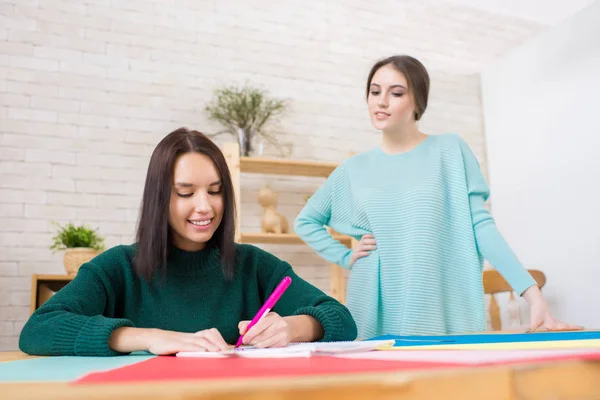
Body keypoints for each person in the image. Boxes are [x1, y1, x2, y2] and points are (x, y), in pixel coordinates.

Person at [295, 55, 580, 339]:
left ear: (418, 101)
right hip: (374, 303)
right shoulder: (353, 168)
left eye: (396, 93)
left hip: (435, 301)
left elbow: (481, 227)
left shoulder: (449, 150)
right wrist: (345, 256)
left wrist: (533, 297)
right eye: (374, 91)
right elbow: (306, 221)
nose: (381, 101)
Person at [19, 127, 357, 356]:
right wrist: (149, 337)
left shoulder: (254, 266)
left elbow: (341, 319)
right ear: (159, 198)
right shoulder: (117, 268)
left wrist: (296, 327)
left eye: (215, 191)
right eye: (185, 193)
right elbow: (39, 329)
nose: (204, 206)